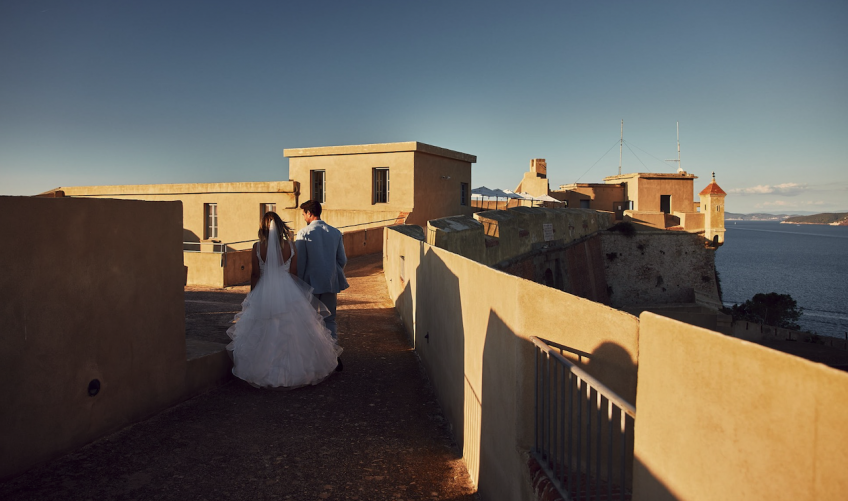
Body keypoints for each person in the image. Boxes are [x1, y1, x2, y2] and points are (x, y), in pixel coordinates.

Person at [226, 211, 342, 389]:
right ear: (280, 227)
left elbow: (255, 274)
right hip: (288, 288)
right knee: (292, 330)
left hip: (264, 288)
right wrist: (295, 295)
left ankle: (264, 370)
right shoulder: (291, 246)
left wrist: (253, 296)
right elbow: (294, 273)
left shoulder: (257, 247)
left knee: (263, 329)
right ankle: (295, 371)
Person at [295, 200, 348, 369]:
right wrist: (331, 271)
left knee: (309, 319)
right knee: (330, 319)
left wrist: (299, 284)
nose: (303, 216)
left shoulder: (304, 233)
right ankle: (333, 356)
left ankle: (312, 357)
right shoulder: (335, 232)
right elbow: (342, 260)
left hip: (309, 283)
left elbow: (301, 262)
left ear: (310, 213)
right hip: (330, 281)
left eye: (303, 213)